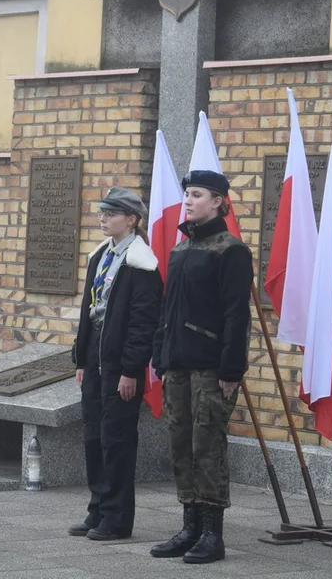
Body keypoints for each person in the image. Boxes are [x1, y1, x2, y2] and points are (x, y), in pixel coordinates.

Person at [150, 169, 253, 564]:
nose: (189, 200)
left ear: (218, 201)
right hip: (177, 363)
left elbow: (235, 315)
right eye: (187, 194)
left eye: (196, 194)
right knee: (180, 445)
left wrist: (231, 370)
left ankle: (213, 533)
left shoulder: (231, 250)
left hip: (211, 369)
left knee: (207, 447)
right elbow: (167, 310)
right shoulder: (179, 250)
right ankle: (190, 526)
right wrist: (160, 354)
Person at [68, 187, 163, 541]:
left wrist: (130, 369)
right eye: (102, 212)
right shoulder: (100, 256)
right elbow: (88, 314)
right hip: (95, 357)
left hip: (121, 363)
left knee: (117, 440)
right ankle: (98, 509)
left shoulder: (141, 264)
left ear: (133, 220)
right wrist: (81, 360)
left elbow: (143, 324)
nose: (103, 218)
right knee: (94, 436)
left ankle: (118, 518)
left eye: (111, 213)